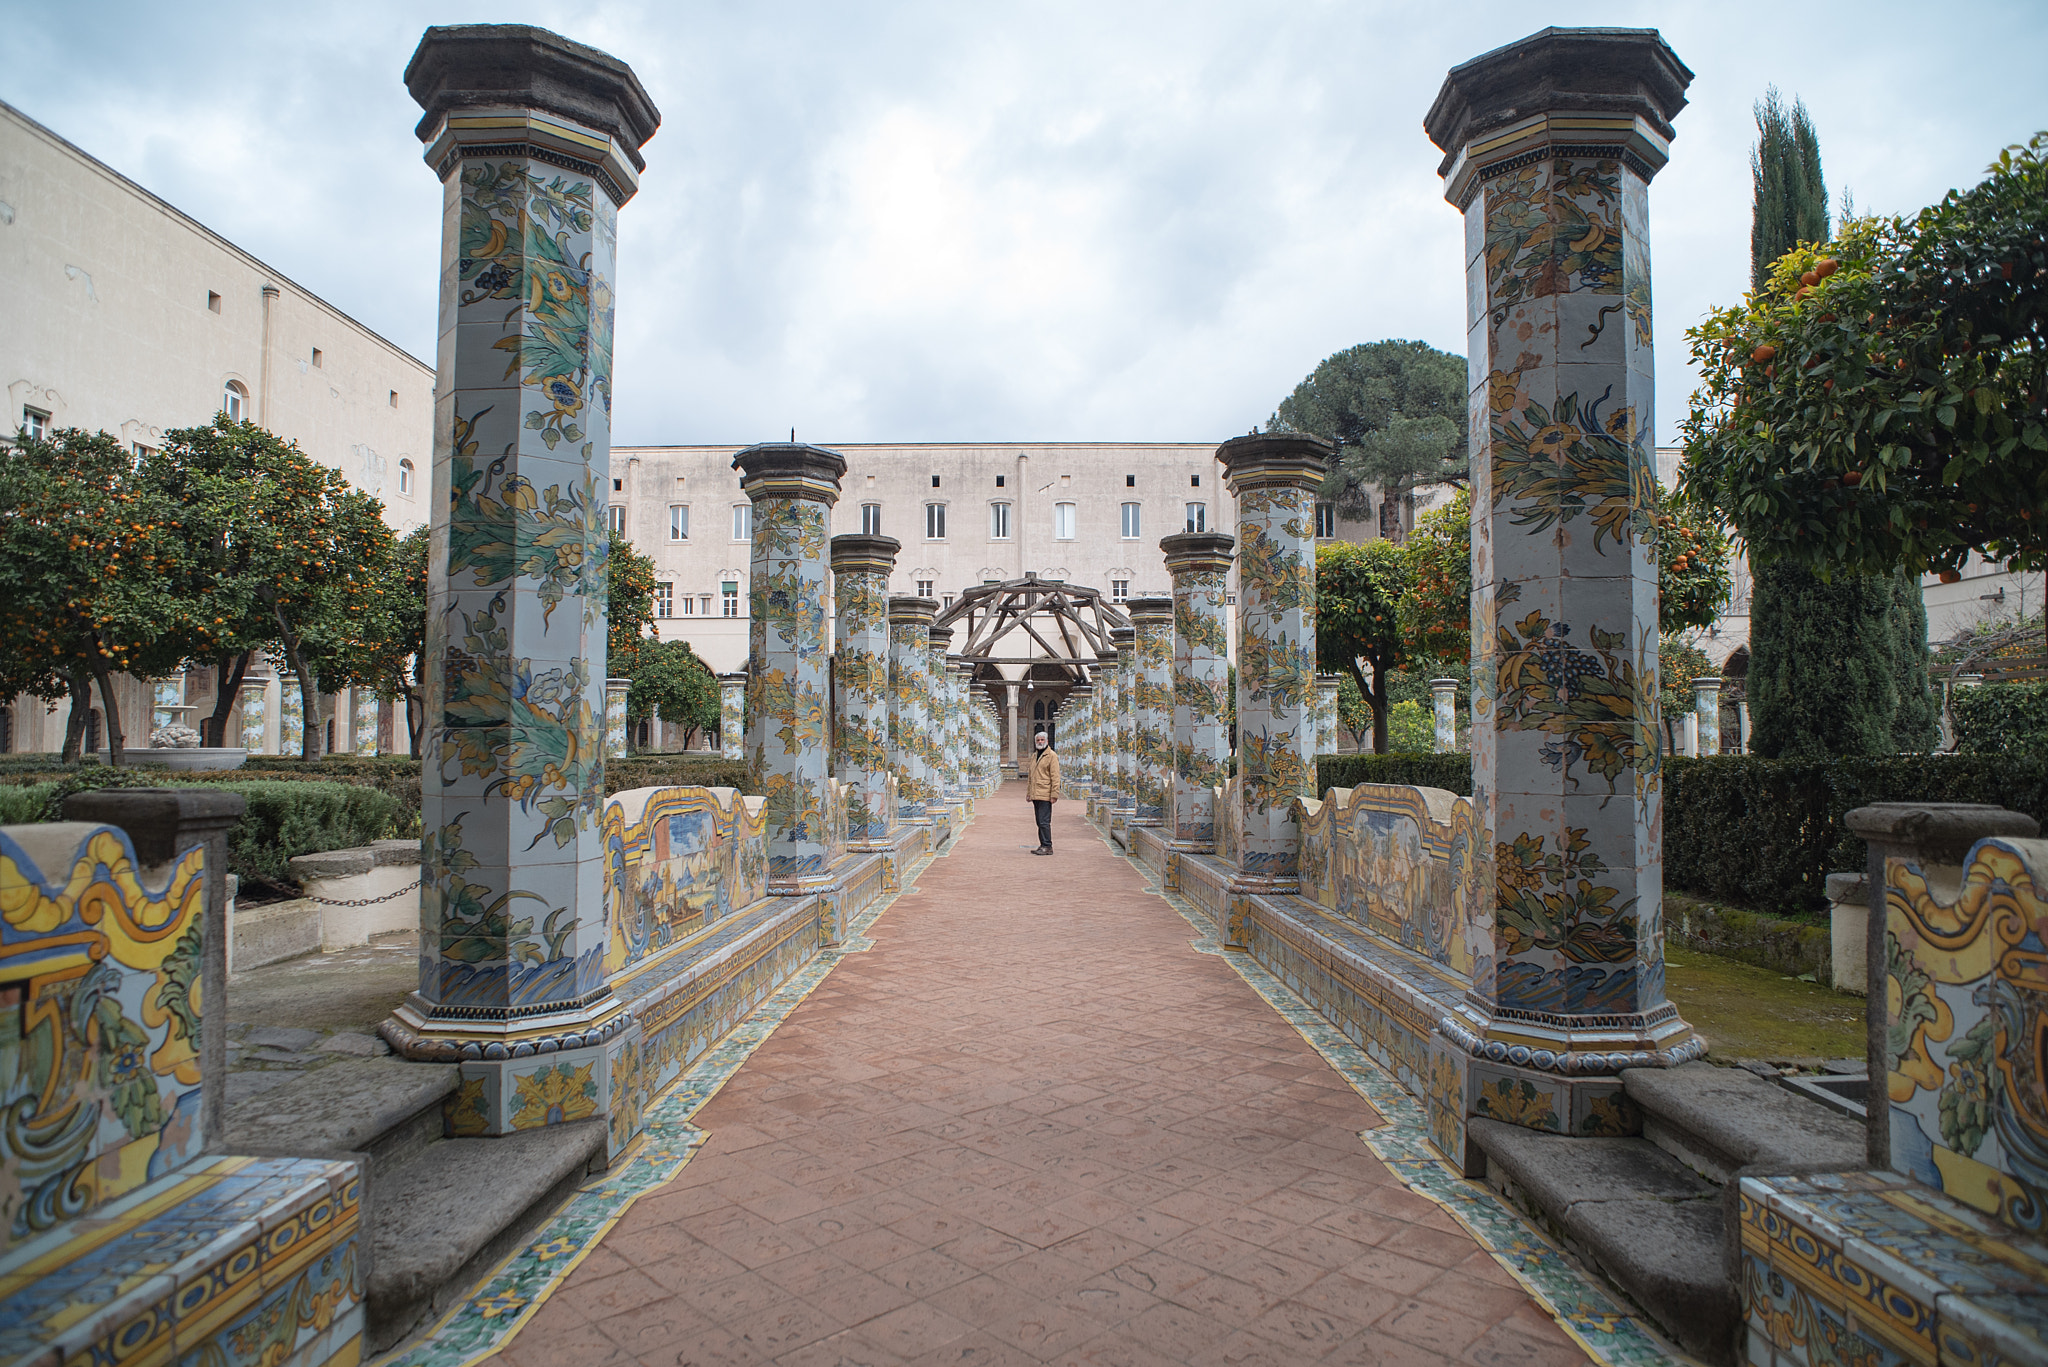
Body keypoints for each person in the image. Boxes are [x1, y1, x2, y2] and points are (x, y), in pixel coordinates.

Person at [1024, 729, 1059, 855]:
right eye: (1038, 740)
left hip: (1045, 793)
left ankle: (1047, 846)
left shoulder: (1052, 756)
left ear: (1047, 741)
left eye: (1042, 740)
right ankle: (1043, 844)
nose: (1040, 742)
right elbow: (1030, 776)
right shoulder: (1034, 756)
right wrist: (1029, 793)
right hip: (1035, 793)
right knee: (1039, 821)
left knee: (1044, 821)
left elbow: (1055, 776)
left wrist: (1054, 794)